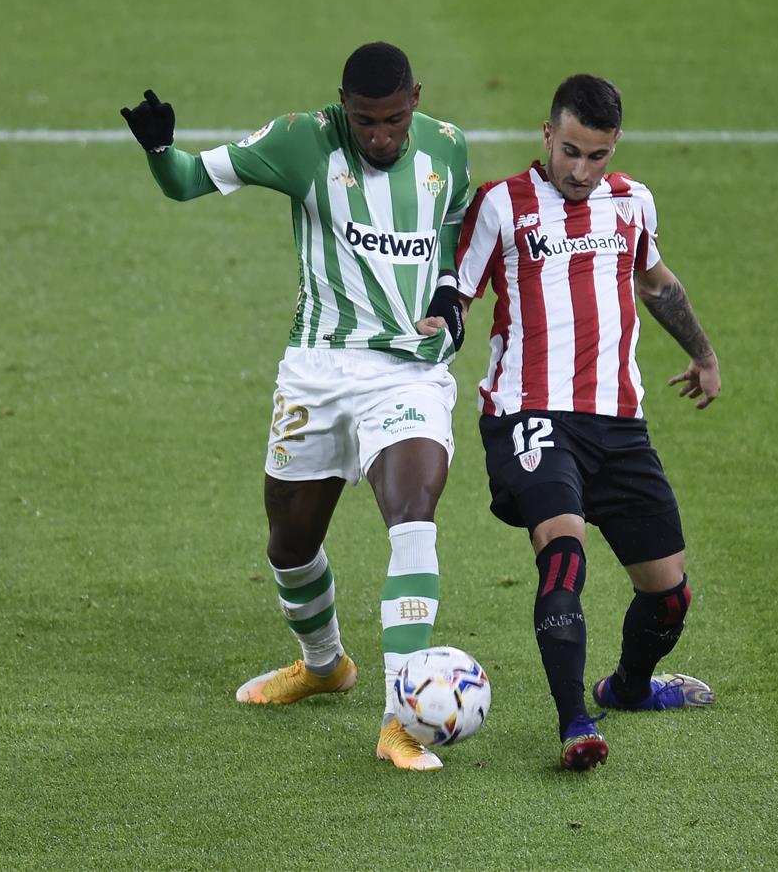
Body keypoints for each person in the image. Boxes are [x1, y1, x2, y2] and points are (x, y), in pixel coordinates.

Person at [119, 42, 470, 772]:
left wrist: (447, 297)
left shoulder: (447, 147)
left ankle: (400, 721)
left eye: (395, 121)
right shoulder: (299, 142)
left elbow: (450, 231)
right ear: (344, 105)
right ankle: (322, 666)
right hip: (316, 371)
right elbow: (187, 183)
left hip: (408, 373)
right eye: (367, 121)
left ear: (416, 103)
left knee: (412, 516)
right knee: (290, 542)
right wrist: (160, 149)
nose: (381, 137)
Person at [453, 74, 720, 770]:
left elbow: (655, 281)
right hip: (531, 415)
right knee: (564, 556)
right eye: (569, 150)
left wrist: (703, 353)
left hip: (619, 423)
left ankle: (627, 688)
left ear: (614, 147)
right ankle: (575, 723)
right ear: (547, 135)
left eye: (595, 155)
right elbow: (455, 290)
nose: (580, 169)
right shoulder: (501, 205)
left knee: (669, 595)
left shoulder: (632, 202)